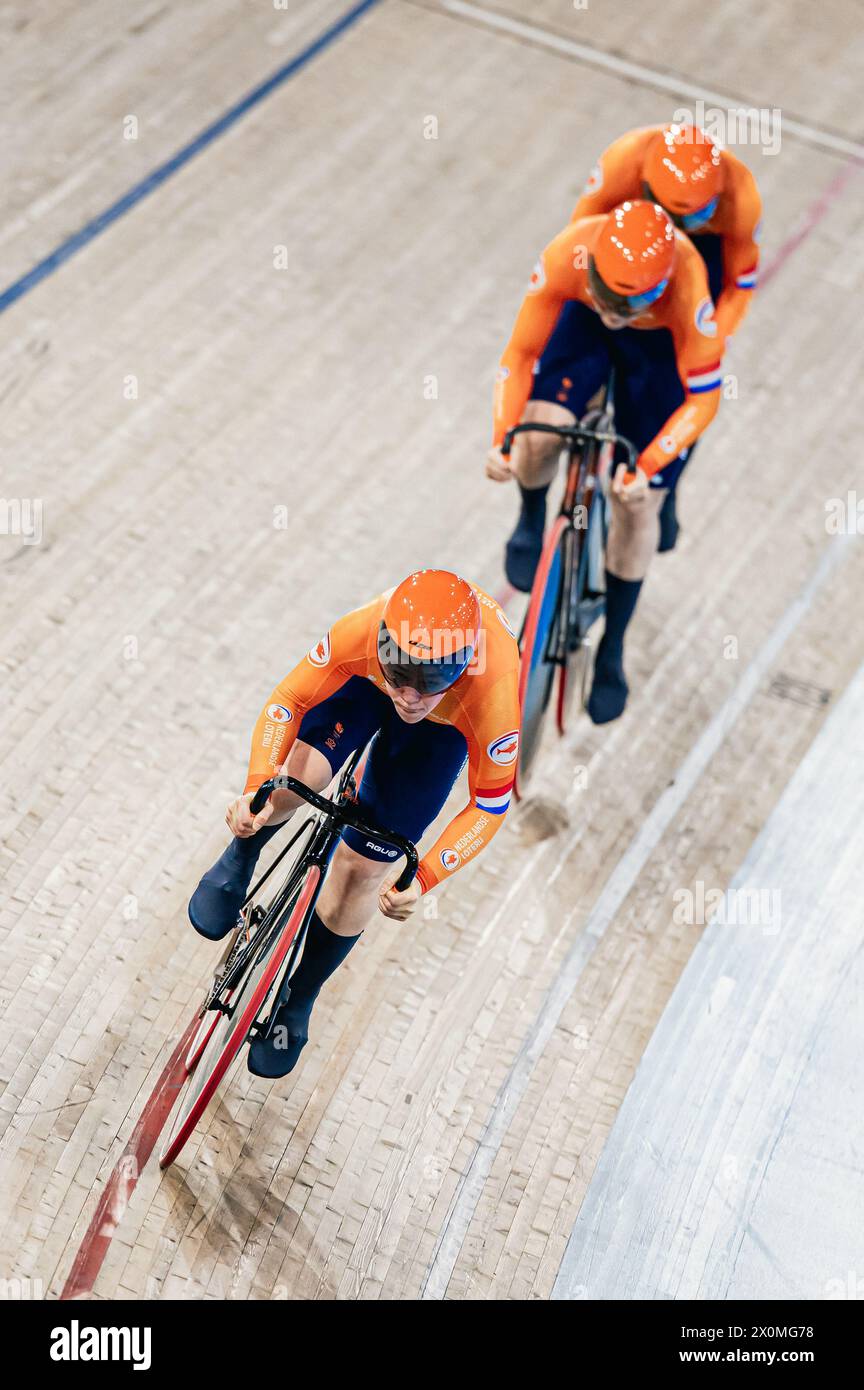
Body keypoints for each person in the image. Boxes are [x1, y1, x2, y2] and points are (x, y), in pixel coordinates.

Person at [188, 569, 521, 1078]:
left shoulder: (493, 688)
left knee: (363, 869)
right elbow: (288, 701)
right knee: (295, 778)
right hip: (366, 688)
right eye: (401, 675)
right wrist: (257, 782)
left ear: (460, 669)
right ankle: (243, 851)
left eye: (427, 683)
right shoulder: (363, 630)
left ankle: (299, 996)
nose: (408, 697)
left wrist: (424, 876)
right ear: (385, 646)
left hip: (443, 729)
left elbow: (490, 804)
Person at [487, 199, 725, 723]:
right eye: (608, 293)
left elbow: (704, 398)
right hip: (584, 326)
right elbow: (521, 355)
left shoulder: (690, 291)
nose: (617, 309)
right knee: (539, 430)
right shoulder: (566, 254)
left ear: (661, 287)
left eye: (630, 302)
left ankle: (612, 649)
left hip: (657, 344)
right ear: (591, 265)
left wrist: (648, 468)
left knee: (637, 505)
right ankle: (530, 519)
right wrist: (505, 437)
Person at [570, 121, 762, 550]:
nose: (677, 228)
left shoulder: (740, 196)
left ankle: (668, 486)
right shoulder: (622, 161)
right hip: (627, 251)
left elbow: (738, 284)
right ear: (644, 185)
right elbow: (579, 245)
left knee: (682, 384)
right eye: (670, 213)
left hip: (703, 268)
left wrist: (710, 342)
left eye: (690, 216)